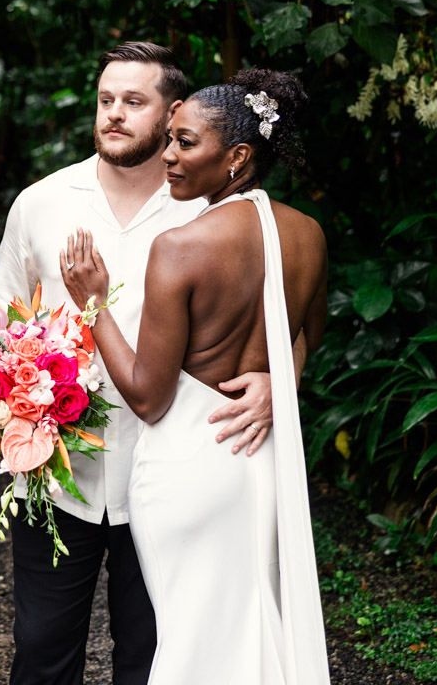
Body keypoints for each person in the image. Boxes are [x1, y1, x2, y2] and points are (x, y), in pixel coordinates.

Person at [0, 43, 281, 685]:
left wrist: (276, 381)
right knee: (40, 651)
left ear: (173, 113)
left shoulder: (210, 211)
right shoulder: (40, 201)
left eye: (133, 102)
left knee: (152, 657)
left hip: (170, 471)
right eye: (105, 100)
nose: (113, 114)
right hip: (56, 475)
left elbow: (278, 317)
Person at [61, 68, 330, 685]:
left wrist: (93, 303)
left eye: (185, 143)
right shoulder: (308, 235)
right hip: (260, 462)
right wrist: (276, 383)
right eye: (171, 139)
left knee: (192, 642)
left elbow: (150, 399)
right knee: (249, 625)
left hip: (188, 465)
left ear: (237, 156)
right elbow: (307, 336)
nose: (169, 157)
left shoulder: (181, 245)